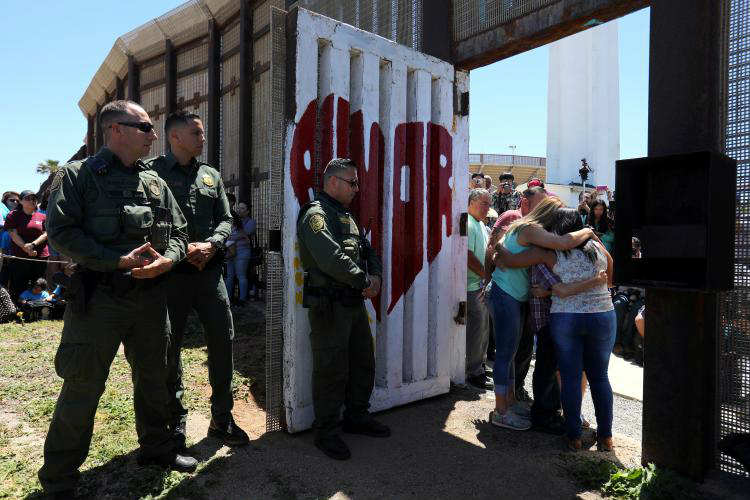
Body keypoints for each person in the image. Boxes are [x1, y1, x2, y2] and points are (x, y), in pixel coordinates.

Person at [38, 100, 195, 500]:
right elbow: (61, 233)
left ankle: (157, 449)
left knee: (156, 377)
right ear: (116, 131)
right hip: (100, 301)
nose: (153, 136)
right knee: (83, 385)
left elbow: (179, 231)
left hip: (150, 299)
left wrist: (168, 261)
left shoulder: (155, 181)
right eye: (144, 127)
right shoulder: (79, 176)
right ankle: (59, 480)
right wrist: (115, 260)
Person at [148, 110, 249, 450]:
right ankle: (174, 421)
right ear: (175, 137)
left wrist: (212, 244)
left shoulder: (211, 176)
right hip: (169, 277)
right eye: (196, 133)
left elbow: (225, 219)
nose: (203, 138)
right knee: (169, 349)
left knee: (222, 342)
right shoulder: (151, 173)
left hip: (209, 275)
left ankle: (222, 418)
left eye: (203, 133)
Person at [494, 208, 616, 450]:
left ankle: (573, 437)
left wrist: (498, 245)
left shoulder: (549, 254)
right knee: (600, 377)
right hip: (602, 316)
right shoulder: (597, 247)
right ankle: (606, 437)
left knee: (570, 376)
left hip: (566, 318)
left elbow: (510, 261)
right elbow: (611, 277)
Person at [297, 157, 387, 460]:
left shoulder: (346, 216)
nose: (357, 189)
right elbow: (331, 258)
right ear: (333, 182)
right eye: (353, 182)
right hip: (330, 306)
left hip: (353, 303)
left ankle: (357, 416)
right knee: (331, 370)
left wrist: (376, 276)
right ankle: (326, 432)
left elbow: (366, 249)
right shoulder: (316, 215)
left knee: (363, 362)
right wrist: (365, 281)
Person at [466, 188, 492, 389]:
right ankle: (473, 370)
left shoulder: (481, 224)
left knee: (483, 328)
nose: (488, 208)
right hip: (472, 285)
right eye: (484, 203)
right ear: (472, 202)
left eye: (489, 204)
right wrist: (485, 274)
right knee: (478, 328)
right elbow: (467, 256)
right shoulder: (468, 222)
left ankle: (479, 366)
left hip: (480, 285)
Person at [4, 190, 49, 299]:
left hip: (40, 256)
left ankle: (38, 309)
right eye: (28, 198)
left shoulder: (42, 216)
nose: (32, 201)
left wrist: (32, 245)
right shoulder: (13, 215)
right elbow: (13, 234)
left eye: (34, 198)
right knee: (18, 283)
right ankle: (17, 309)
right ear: (21, 201)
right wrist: (26, 248)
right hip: (20, 256)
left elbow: (46, 234)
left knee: (38, 283)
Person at [224, 202, 257, 305]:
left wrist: (230, 236)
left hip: (242, 252)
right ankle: (228, 298)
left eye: (242, 208)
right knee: (229, 276)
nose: (239, 210)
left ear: (247, 211)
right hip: (230, 251)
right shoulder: (232, 221)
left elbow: (244, 233)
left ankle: (242, 299)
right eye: (238, 208)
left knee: (241, 276)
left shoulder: (250, 222)